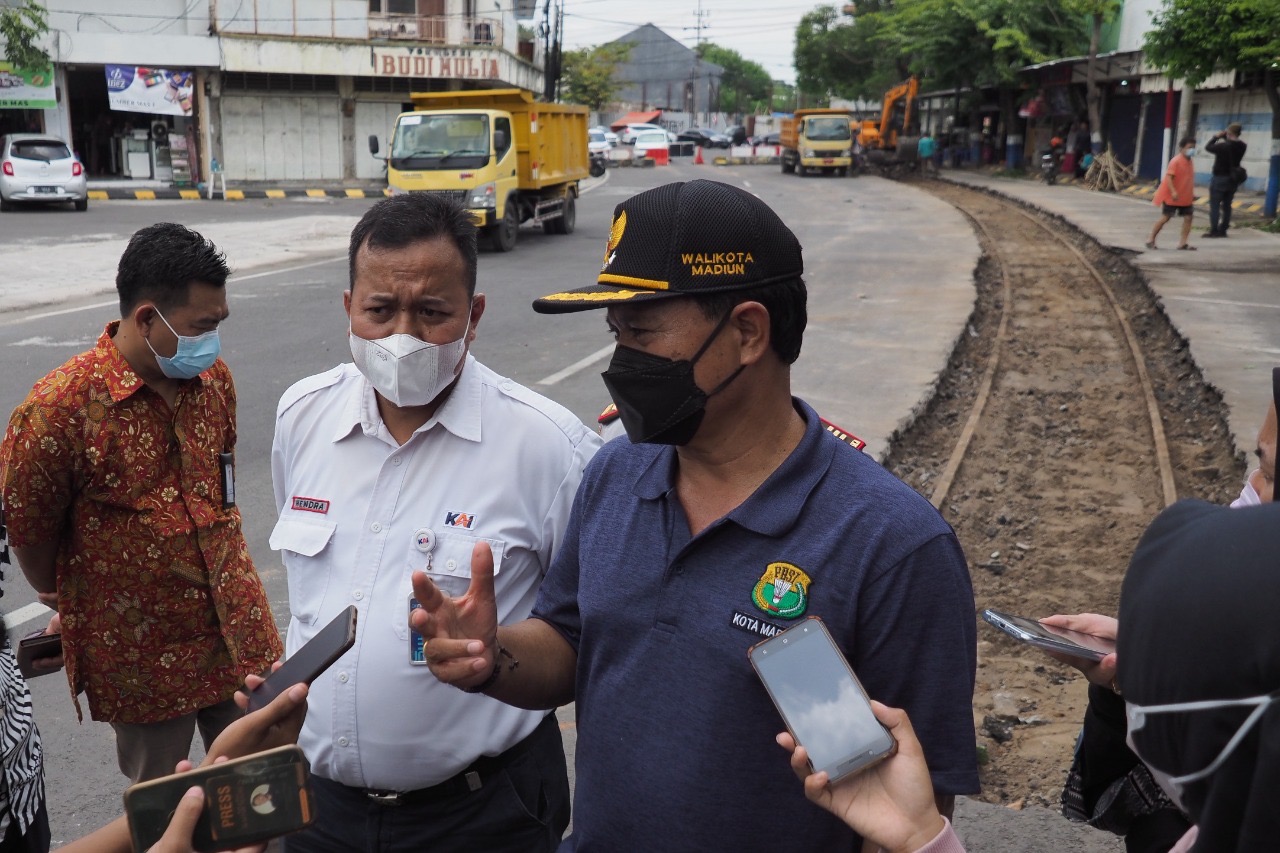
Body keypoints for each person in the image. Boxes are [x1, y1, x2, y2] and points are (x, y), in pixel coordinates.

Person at [412, 179, 980, 850]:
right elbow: (570, 644)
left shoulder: (892, 544)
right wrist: (490, 653)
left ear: (746, 332)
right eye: (614, 333)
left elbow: (906, 814)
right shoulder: (616, 473)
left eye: (642, 332)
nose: (622, 361)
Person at [270, 193, 599, 853]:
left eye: (432, 312)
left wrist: (492, 654)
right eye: (380, 310)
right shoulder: (301, 416)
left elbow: (590, 636)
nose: (403, 337)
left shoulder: (550, 448)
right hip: (317, 811)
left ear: (473, 315)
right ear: (348, 309)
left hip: (481, 816)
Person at [0, 223, 284, 784]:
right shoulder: (60, 408)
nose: (214, 340)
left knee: (262, 788)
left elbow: (220, 490)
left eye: (219, 324)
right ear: (147, 319)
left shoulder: (214, 380)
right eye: (203, 326)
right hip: (143, 659)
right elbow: (29, 530)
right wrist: (64, 593)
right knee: (165, 809)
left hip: (237, 633)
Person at [1147, 137, 1197, 251]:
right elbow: (1169, 178)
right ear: (1182, 148)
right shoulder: (1176, 161)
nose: (1192, 150)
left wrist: (1191, 194)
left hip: (1185, 197)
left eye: (1193, 148)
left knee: (1188, 218)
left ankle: (1183, 243)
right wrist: (1173, 191)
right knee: (1166, 217)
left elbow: (1188, 179)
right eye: (1189, 148)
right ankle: (1150, 239)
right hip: (1172, 197)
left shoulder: (1190, 161)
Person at [1204, 123, 1247, 239]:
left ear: (1229, 132)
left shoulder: (1223, 146)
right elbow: (1233, 144)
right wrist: (1225, 137)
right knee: (1227, 205)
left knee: (1215, 205)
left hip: (1220, 178)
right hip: (1233, 179)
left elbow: (1208, 147)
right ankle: (1223, 230)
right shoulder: (1243, 146)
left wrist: (1216, 137)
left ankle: (1214, 230)